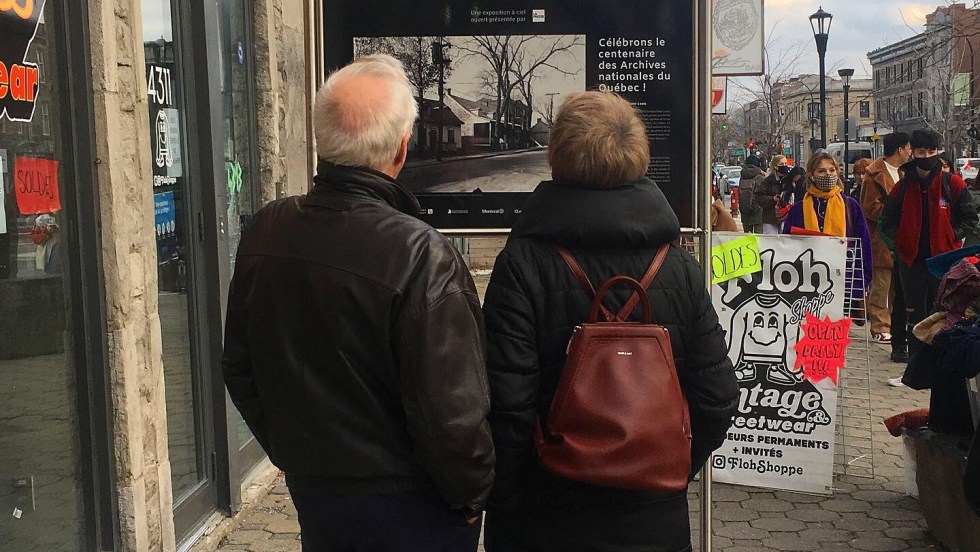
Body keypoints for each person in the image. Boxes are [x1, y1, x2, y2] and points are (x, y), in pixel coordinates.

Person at [221, 55, 495, 551]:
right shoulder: (421, 255)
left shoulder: (267, 230)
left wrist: (292, 454)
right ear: (402, 147)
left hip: (319, 498)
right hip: (415, 509)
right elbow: (453, 421)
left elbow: (240, 368)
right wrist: (471, 498)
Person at [481, 91, 739, 552]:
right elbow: (717, 396)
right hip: (654, 521)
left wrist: (505, 500)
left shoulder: (523, 263)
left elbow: (507, 405)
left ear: (557, 158)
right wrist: (667, 468)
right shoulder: (677, 266)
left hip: (545, 520)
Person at [880, 129, 979, 360]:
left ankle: (942, 363)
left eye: (932, 151)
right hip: (911, 260)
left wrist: (952, 235)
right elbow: (886, 221)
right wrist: (899, 243)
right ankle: (916, 364)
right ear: (912, 153)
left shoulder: (951, 184)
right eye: (921, 151)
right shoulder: (902, 188)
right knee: (913, 313)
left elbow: (969, 218)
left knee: (944, 313)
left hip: (944, 260)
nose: (927, 156)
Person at [782, 153, 874, 319]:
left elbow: (864, 244)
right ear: (811, 175)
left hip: (843, 283)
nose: (828, 175)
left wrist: (861, 282)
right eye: (822, 171)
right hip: (806, 285)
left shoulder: (850, 206)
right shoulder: (799, 209)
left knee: (836, 337)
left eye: (832, 170)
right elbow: (785, 246)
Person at [861, 132, 911, 354]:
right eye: (908, 148)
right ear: (900, 149)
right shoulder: (874, 175)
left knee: (897, 287)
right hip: (882, 237)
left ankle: (893, 325)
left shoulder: (904, 173)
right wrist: (895, 213)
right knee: (881, 285)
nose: (910, 152)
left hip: (902, 237)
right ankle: (880, 325)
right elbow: (870, 208)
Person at [738, 155, 767, 232]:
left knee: (747, 238)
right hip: (758, 212)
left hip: (745, 212)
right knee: (758, 238)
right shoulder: (761, 177)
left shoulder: (742, 177)